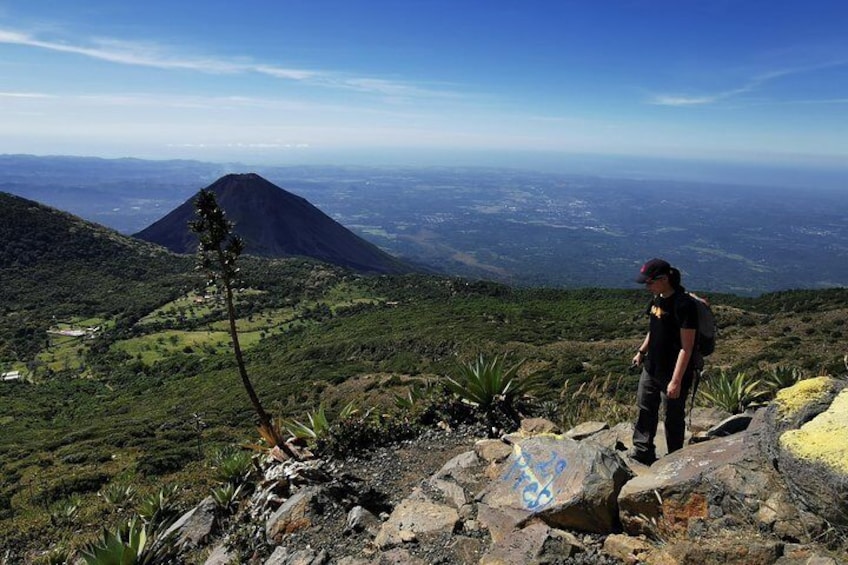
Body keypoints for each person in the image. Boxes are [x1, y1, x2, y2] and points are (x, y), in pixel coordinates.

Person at [629, 258, 698, 466]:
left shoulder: (684, 305)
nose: (646, 287)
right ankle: (643, 451)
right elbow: (654, 329)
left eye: (649, 282)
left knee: (673, 417)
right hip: (652, 367)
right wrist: (642, 351)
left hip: (673, 373)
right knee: (645, 408)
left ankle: (674, 458)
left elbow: (687, 347)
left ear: (664, 279)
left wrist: (676, 381)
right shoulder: (657, 298)